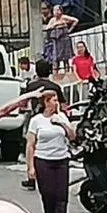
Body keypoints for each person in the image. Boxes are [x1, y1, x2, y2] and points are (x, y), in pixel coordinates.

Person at [26, 90, 76, 213]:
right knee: (48, 194)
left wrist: (61, 123)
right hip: (43, 159)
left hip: (61, 159)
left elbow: (73, 136)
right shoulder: (37, 121)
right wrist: (30, 167)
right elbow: (30, 144)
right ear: (46, 102)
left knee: (61, 194)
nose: (56, 103)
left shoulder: (61, 117)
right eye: (53, 100)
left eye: (57, 100)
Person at [21, 60, 67, 191]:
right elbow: (64, 106)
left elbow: (24, 102)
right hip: (53, 117)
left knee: (31, 146)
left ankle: (31, 176)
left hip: (35, 117)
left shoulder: (31, 85)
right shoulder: (55, 87)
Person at [43, 5, 78, 71]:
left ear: (61, 11)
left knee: (66, 58)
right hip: (56, 40)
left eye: (57, 10)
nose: (56, 12)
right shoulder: (52, 20)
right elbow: (47, 28)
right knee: (56, 58)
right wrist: (56, 24)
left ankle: (67, 71)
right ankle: (56, 72)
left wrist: (70, 30)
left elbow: (76, 20)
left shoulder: (64, 17)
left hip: (64, 38)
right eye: (54, 10)